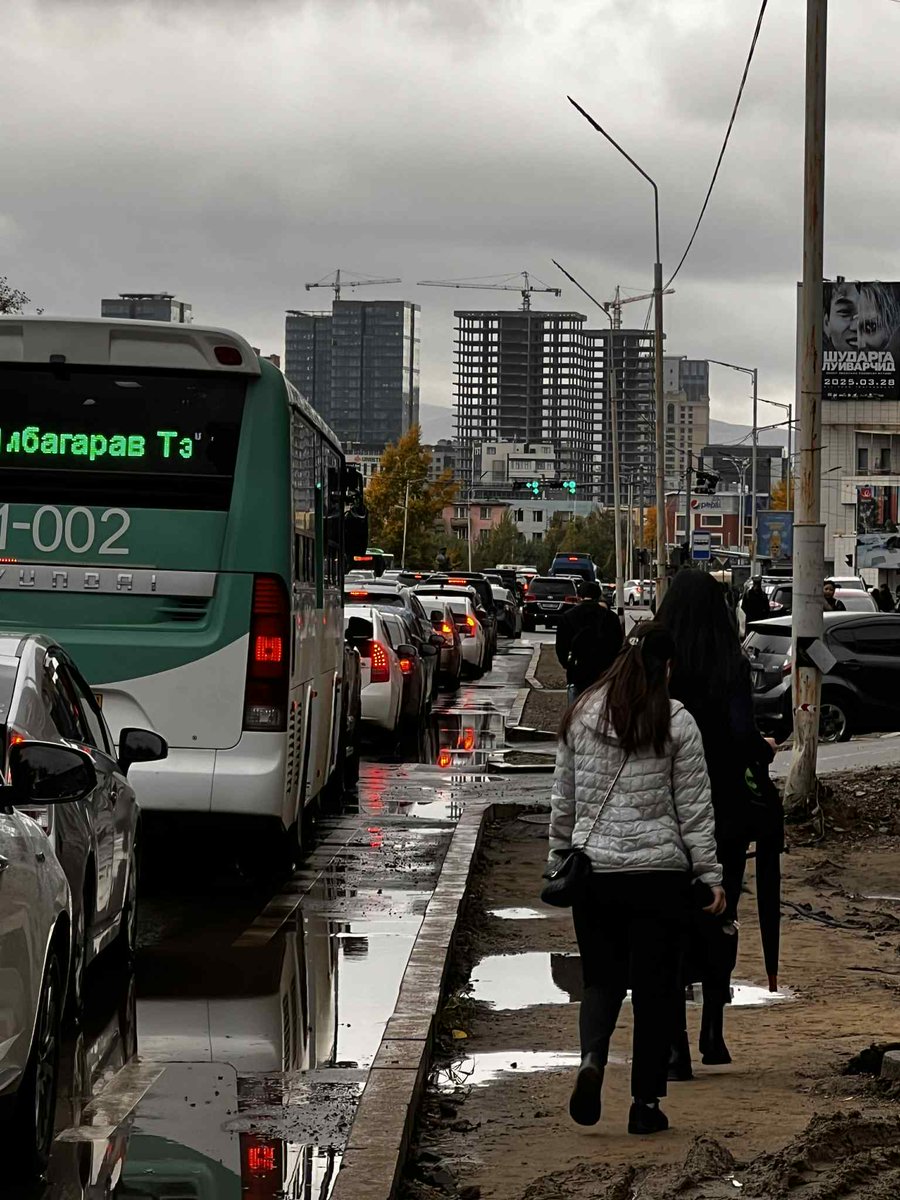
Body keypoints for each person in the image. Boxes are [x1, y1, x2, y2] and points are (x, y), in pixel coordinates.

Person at [549, 623, 724, 1135]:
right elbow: (694, 812)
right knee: (655, 990)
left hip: (596, 874)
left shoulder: (582, 714)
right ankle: (644, 1105)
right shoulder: (677, 721)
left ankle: (592, 1061)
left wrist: (560, 855)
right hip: (659, 878)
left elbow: (564, 799)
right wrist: (711, 875)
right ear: (665, 668)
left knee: (601, 979)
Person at [657, 570, 780, 1075]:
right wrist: (763, 750)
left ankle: (676, 1046)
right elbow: (739, 732)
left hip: (664, 812)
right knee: (720, 909)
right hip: (725, 811)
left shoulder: (659, 660)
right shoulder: (729, 662)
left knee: (670, 924)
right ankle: (713, 1029)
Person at [554, 580, 623, 705]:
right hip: (604, 672)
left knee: (575, 712)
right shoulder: (611, 618)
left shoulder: (568, 617)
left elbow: (561, 647)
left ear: (579, 596)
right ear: (598, 596)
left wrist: (568, 665)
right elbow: (618, 644)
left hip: (577, 672)